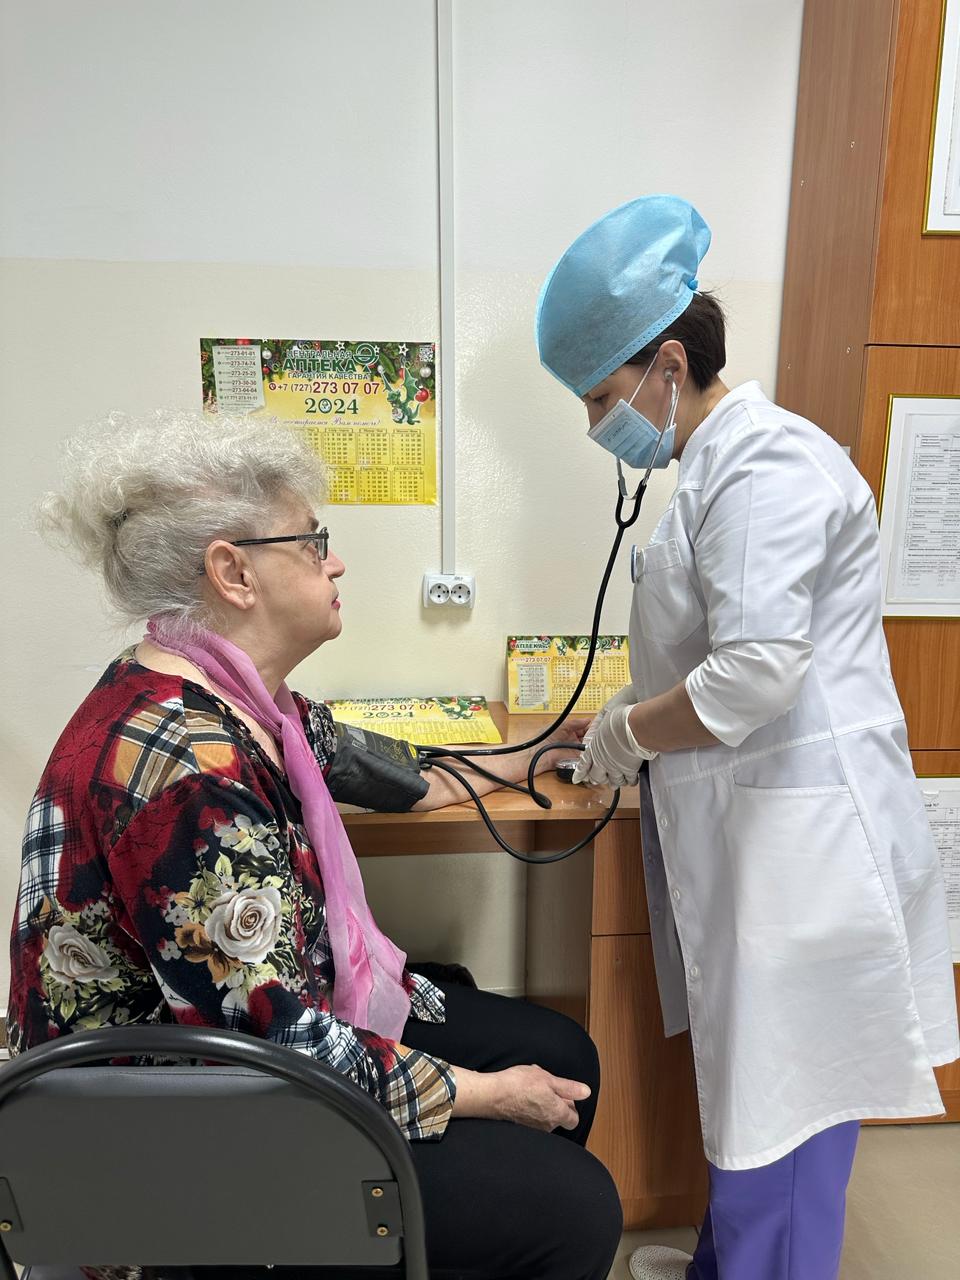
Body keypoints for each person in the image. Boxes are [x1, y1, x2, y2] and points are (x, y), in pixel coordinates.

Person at [7, 410, 622, 1280]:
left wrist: (528, 755)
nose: (334, 563)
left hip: (234, 1050)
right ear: (233, 572)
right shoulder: (191, 776)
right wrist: (487, 1096)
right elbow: (283, 1050)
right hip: (168, 1133)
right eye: (311, 541)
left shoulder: (234, 700)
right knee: (574, 1206)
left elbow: (395, 773)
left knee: (563, 1054)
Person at [535, 194, 959, 1280]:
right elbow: (715, 647)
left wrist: (630, 732)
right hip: (765, 842)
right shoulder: (719, 468)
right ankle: (729, 1264)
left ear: (668, 364)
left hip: (805, 856)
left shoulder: (767, 465)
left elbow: (759, 670)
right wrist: (620, 719)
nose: (597, 425)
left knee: (785, 1110)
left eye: (601, 396)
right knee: (757, 1098)